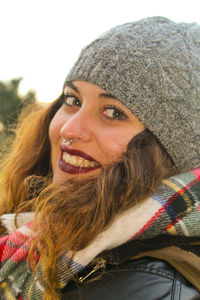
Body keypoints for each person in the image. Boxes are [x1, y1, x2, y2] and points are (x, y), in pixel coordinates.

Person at [0, 16, 200, 300]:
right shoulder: (41, 236)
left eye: (114, 113)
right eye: (73, 100)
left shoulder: (148, 287)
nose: (70, 130)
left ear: (170, 150)